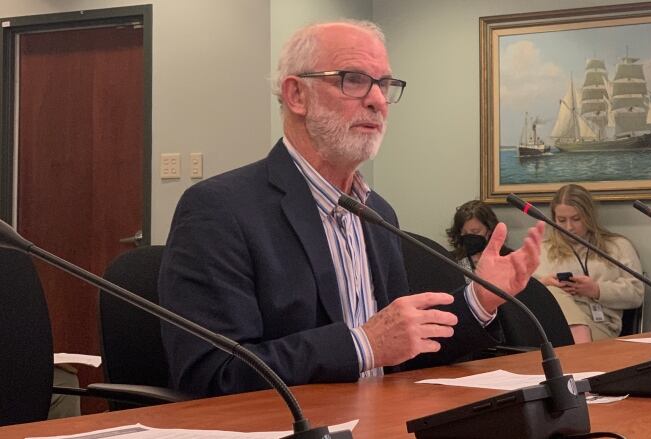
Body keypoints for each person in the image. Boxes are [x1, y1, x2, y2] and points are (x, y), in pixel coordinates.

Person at [158, 20, 545, 397]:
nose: (378, 100)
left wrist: (480, 300)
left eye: (384, 84)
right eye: (354, 79)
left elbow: (402, 355)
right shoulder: (221, 210)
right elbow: (214, 374)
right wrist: (362, 345)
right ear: (297, 95)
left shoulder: (376, 212)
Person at [534, 184, 643, 343]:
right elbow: (521, 293)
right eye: (561, 220)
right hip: (551, 327)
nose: (569, 227)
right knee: (552, 291)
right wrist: (543, 284)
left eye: (576, 219)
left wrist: (596, 290)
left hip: (600, 326)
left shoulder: (617, 246)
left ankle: (580, 346)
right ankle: (580, 348)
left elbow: (637, 293)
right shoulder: (541, 249)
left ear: (589, 216)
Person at [446, 200, 512, 277]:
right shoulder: (451, 260)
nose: (470, 237)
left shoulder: (508, 258)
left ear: (490, 230)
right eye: (465, 233)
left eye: (475, 232)